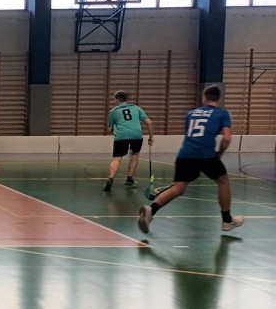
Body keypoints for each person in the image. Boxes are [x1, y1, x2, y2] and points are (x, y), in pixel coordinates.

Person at [138, 85, 243, 234]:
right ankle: (227, 220)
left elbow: (190, 134)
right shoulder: (222, 113)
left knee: (178, 188)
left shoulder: (191, 113)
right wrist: (219, 153)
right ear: (218, 98)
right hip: (206, 154)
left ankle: (151, 210)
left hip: (185, 154)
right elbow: (226, 138)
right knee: (223, 181)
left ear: (204, 97)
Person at [104, 90, 154, 192]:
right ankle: (129, 179)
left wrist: (113, 130)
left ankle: (110, 180)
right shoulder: (136, 108)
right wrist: (150, 137)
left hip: (121, 137)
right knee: (134, 155)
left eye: (114, 99)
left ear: (118, 99)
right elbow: (149, 123)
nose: (114, 101)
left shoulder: (114, 111)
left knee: (117, 159)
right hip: (137, 136)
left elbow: (109, 129)